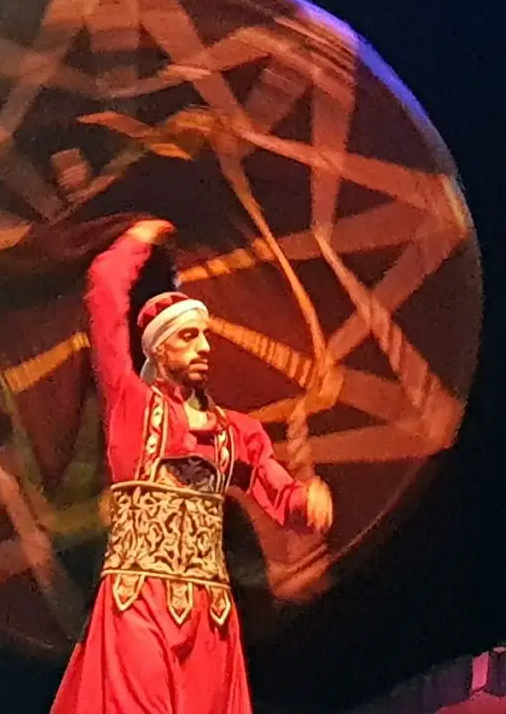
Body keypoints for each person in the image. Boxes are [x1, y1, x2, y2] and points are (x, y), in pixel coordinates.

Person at [50, 218, 334, 714]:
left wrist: (308, 503)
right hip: (137, 603)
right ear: (159, 349)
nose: (204, 347)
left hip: (211, 616)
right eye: (187, 336)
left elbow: (281, 498)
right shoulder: (130, 405)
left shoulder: (237, 433)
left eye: (204, 336)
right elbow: (103, 295)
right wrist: (136, 243)